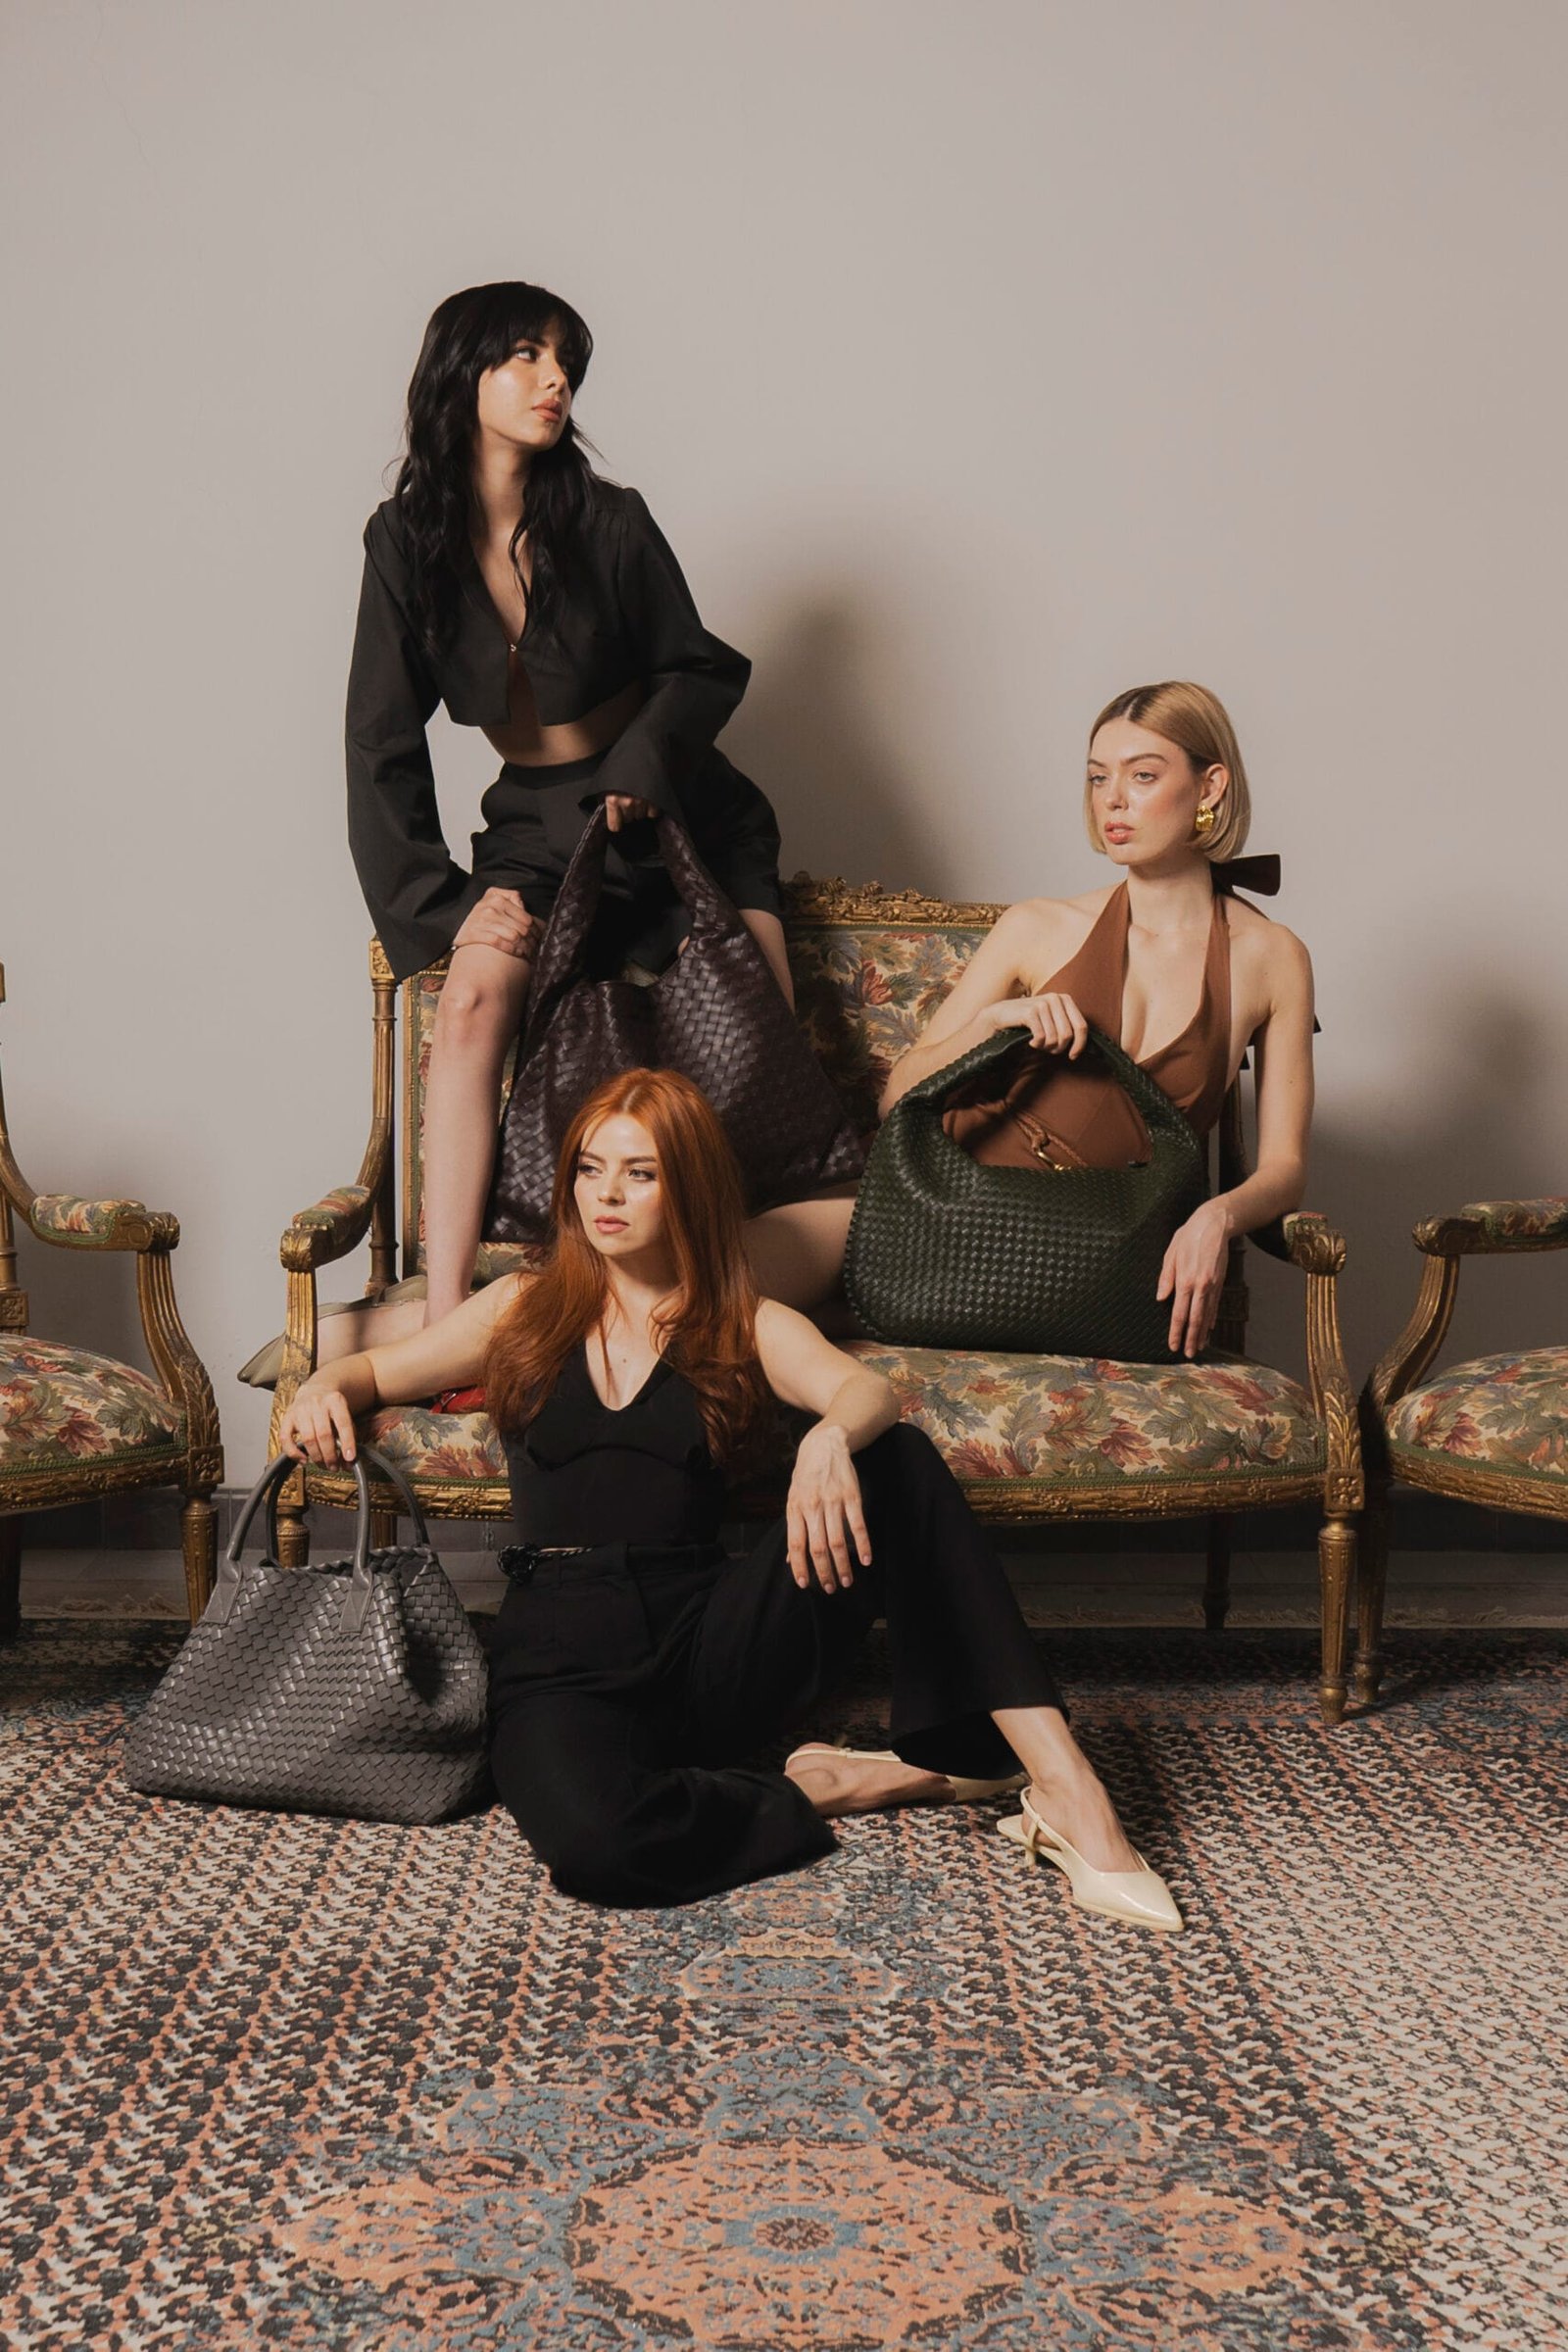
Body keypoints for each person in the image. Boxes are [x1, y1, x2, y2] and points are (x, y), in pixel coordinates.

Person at [279, 1068, 1183, 1931]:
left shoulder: (739, 1318)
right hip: (559, 1652)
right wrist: (326, 1387)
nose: (607, 1194)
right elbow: (375, 1371)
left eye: (641, 1173)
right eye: (591, 1168)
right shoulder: (523, 1304)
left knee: (895, 1459)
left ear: (690, 1188)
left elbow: (866, 1392)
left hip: (713, 1643)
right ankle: (832, 1783)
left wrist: (828, 1439)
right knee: (599, 1847)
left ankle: (1068, 1789)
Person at [344, 279, 848, 1333]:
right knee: (471, 1002)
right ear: (461, 373)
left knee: (746, 1028)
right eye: (526, 356)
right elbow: (380, 740)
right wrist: (442, 904)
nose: (555, 379)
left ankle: (727, 1297)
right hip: (536, 826)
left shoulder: (609, 520)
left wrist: (641, 762)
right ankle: (447, 1316)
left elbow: (698, 668)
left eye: (564, 360)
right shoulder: (403, 543)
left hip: (678, 809)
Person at [880, 681, 1315, 1358]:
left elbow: (1284, 1167)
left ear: (1210, 786)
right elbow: (894, 1100)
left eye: (1142, 775)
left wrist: (1215, 1216)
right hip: (953, 1213)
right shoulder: (1038, 926)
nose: (1112, 799)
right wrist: (994, 1022)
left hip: (1100, 1258)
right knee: (729, 1280)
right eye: (1097, 777)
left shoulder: (1272, 957)